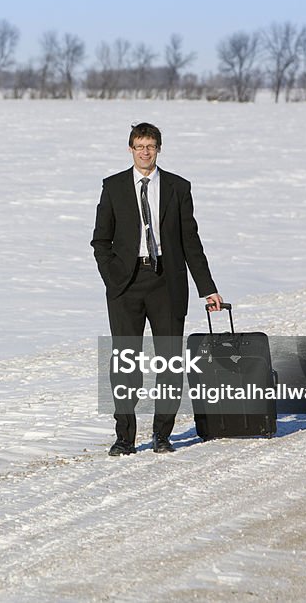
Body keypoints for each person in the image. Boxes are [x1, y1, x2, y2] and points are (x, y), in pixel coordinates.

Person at [91, 122, 224, 456]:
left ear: (159, 148)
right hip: (126, 284)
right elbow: (100, 239)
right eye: (139, 146)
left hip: (167, 283)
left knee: (168, 361)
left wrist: (207, 288)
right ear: (130, 149)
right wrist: (112, 276)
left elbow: (191, 242)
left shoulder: (178, 187)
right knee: (125, 361)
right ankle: (124, 437)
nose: (145, 152)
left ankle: (162, 435)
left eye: (150, 146)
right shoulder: (114, 186)